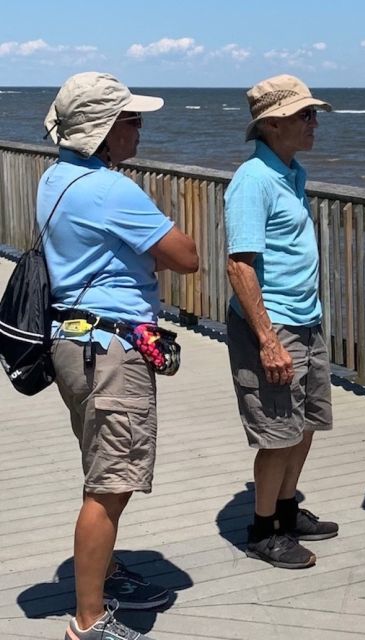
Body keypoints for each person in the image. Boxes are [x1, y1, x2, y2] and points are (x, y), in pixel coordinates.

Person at [39, 72, 199, 640]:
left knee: (101, 468)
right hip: (110, 351)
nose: (140, 127)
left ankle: (104, 573)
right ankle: (89, 619)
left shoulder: (55, 177)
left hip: (73, 343)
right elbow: (186, 256)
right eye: (131, 119)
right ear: (104, 131)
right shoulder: (112, 190)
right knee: (111, 483)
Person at [225, 74, 338, 571]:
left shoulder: (292, 172)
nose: (314, 123)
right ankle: (263, 529)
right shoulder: (253, 181)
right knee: (277, 433)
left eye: (313, 113)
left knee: (306, 423)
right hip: (273, 327)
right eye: (304, 115)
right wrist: (268, 340)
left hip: (305, 319)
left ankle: (287, 510)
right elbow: (239, 265)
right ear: (271, 125)